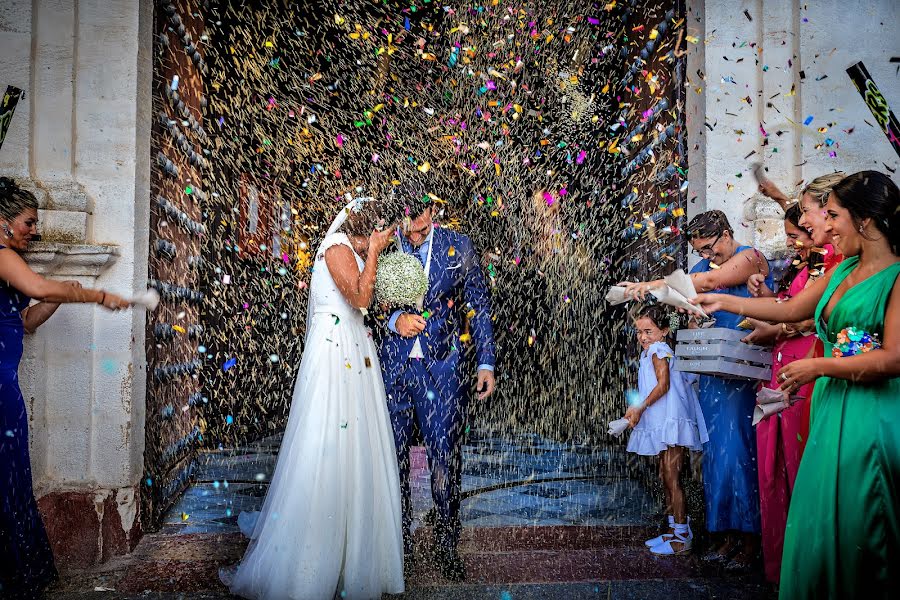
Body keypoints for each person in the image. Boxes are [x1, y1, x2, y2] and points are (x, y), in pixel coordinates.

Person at [692, 171, 900, 598]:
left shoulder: (895, 277)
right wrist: (721, 300)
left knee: (864, 520)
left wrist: (819, 367)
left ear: (862, 220)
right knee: (821, 515)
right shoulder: (843, 270)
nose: (823, 225)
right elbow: (790, 310)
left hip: (869, 413)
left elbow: (894, 357)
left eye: (834, 215)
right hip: (831, 404)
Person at [224, 198, 404, 600]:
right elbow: (359, 299)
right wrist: (373, 253)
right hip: (333, 353)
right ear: (365, 230)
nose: (376, 244)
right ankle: (314, 559)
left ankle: (350, 550)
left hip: (353, 351)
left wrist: (383, 270)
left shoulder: (353, 250)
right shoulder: (337, 247)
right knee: (326, 442)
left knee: (356, 447)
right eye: (375, 236)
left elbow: (370, 300)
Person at [0, 177, 130, 598]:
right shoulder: (0, 255)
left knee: (11, 477)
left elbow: (25, 321)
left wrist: (64, 296)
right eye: (28, 222)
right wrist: (93, 293)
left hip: (6, 385)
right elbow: (37, 286)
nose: (34, 231)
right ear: (3, 222)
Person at [621, 209, 771, 569]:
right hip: (712, 374)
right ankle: (725, 536)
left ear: (726, 233)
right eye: (701, 251)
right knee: (715, 459)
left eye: (710, 248)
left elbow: (706, 285)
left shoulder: (748, 256)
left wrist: (651, 286)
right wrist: (689, 316)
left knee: (738, 456)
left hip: (741, 372)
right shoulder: (704, 268)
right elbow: (694, 297)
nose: (707, 256)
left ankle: (751, 540)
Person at [379, 183, 496, 582]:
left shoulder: (458, 247)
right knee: (391, 462)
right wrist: (394, 320)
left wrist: (486, 362)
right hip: (394, 370)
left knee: (444, 459)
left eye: (419, 220)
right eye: (406, 223)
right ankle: (401, 549)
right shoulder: (386, 245)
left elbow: (478, 305)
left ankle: (447, 547)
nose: (413, 231)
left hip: (444, 371)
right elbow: (362, 301)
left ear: (432, 210)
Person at [741, 204, 823, 583]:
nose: (792, 242)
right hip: (777, 370)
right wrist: (765, 294)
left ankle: (806, 567)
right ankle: (781, 564)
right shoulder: (801, 269)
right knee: (772, 466)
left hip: (806, 369)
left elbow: (803, 318)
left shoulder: (830, 269)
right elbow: (785, 308)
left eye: (796, 235)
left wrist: (776, 325)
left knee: (797, 462)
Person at [623, 304, 708, 555]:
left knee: (672, 477)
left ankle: (682, 535)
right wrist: (636, 407)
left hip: (672, 423)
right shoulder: (652, 351)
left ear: (664, 330)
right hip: (664, 422)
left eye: (648, 331)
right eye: (639, 332)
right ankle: (672, 530)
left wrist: (639, 407)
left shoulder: (659, 350)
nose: (643, 338)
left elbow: (663, 385)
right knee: (665, 475)